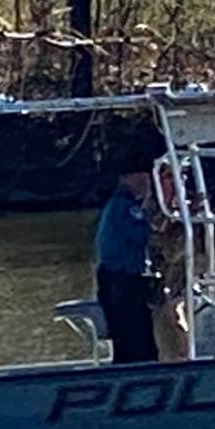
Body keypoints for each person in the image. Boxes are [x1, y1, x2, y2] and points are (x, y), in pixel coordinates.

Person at [95, 154, 160, 363]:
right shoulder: (124, 207)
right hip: (122, 280)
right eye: (145, 177)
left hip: (119, 278)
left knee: (130, 336)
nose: (149, 182)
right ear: (131, 177)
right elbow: (144, 235)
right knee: (133, 337)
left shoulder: (120, 205)